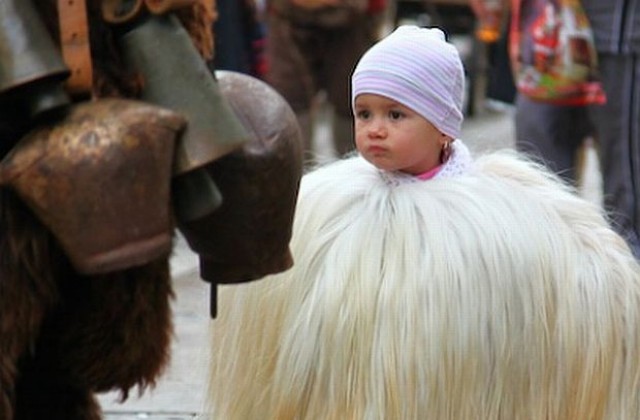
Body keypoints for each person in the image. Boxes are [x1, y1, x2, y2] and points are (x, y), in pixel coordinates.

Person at [206, 26, 640, 420]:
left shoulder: (479, 220)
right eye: (364, 113)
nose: (375, 129)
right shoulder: (329, 206)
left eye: (395, 115)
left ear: (443, 127)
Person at [264, 0, 387, 163]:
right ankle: (298, 181)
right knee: (290, 102)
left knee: (354, 99)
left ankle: (357, 176)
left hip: (355, 17)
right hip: (288, 15)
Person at [580, 0, 640, 258]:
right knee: (540, 171)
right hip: (546, 39)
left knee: (623, 175)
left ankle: (627, 266)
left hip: (616, 38)